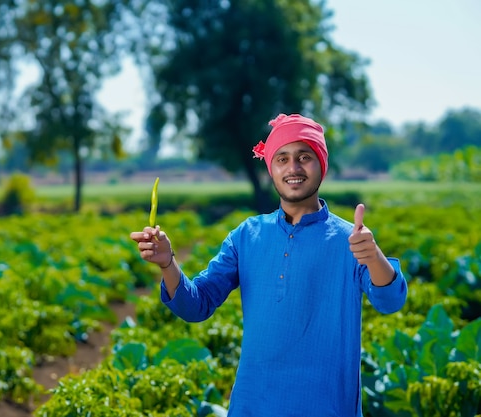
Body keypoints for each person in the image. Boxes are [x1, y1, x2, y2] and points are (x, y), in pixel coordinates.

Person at [130, 113, 408, 416]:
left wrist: (373, 255)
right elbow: (196, 305)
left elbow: (391, 300)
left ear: (321, 166)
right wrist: (168, 263)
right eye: (282, 159)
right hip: (254, 405)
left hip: (327, 406)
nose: (294, 168)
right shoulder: (247, 236)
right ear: (271, 169)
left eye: (305, 157)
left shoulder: (351, 239)